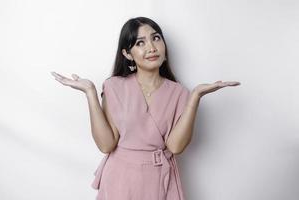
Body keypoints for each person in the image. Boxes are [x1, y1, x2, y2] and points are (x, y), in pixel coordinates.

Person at [51, 16, 240, 200]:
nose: (151, 47)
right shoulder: (114, 86)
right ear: (127, 54)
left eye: (156, 38)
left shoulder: (179, 93)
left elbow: (175, 146)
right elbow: (106, 144)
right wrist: (90, 93)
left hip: (157, 179)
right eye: (140, 43)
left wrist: (196, 96)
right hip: (120, 179)